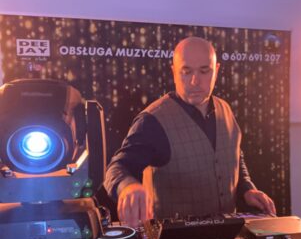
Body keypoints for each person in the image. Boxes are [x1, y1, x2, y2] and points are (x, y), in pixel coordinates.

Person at [104, 36, 276, 227]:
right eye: (186, 72)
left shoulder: (225, 109)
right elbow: (116, 168)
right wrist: (127, 187)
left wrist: (247, 189)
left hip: (228, 235)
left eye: (204, 71)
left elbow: (234, 155)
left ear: (217, 70)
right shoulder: (152, 120)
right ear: (173, 72)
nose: (195, 81)